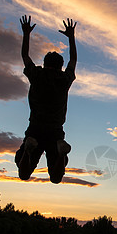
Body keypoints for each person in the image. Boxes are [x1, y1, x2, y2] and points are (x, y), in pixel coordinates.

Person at [15, 15, 77, 184]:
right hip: (56, 131)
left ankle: (28, 151)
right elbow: (73, 60)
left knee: (24, 173)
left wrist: (26, 33)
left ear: (44, 63)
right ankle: (61, 154)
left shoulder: (37, 74)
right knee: (56, 178)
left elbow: (25, 56)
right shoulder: (64, 79)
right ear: (61, 66)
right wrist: (71, 37)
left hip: (35, 128)